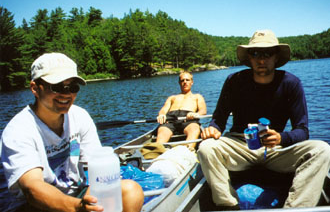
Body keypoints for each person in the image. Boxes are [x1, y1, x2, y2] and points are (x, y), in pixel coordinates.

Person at [198, 30, 330, 209]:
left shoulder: (291, 83)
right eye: (255, 53)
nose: (261, 59)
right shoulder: (234, 81)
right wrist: (213, 129)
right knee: (206, 148)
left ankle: (295, 208)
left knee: (323, 151)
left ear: (276, 57)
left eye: (267, 53)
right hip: (240, 145)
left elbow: (302, 130)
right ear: (249, 57)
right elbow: (218, 119)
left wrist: (281, 138)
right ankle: (228, 206)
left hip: (276, 149)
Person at [1, 53, 144, 212]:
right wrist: (77, 207)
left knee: (131, 191)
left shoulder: (79, 116)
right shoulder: (19, 131)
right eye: (57, 87)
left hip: (77, 193)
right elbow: (32, 188)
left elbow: (94, 164)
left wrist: (95, 195)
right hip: (35, 206)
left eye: (73, 87)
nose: (66, 94)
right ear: (35, 88)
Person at [156, 71, 207, 149]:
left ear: (192, 82)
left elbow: (203, 111)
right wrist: (161, 114)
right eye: (182, 80)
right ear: (179, 83)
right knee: (162, 133)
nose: (185, 82)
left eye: (187, 80)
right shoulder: (172, 97)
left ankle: (188, 150)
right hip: (170, 120)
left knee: (195, 129)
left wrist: (196, 114)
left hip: (188, 120)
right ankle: (157, 152)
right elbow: (163, 109)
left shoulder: (197, 96)